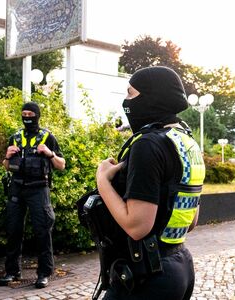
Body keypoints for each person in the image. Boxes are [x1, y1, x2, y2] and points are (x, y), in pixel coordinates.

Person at [93, 66, 205, 299]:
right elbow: (191, 221)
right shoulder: (186, 141)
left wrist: (102, 180)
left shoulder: (148, 144)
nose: (126, 101)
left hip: (146, 275)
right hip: (179, 266)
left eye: (131, 94)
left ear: (152, 98)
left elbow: (137, 227)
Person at [0, 102, 66, 289]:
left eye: (30, 114)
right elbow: (6, 166)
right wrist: (7, 156)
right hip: (17, 189)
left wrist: (49, 153)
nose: (27, 117)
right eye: (24, 114)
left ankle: (44, 274)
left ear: (37, 115)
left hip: (39, 190)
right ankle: (12, 272)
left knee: (43, 231)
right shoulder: (15, 137)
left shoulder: (47, 137)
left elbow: (61, 165)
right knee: (13, 230)